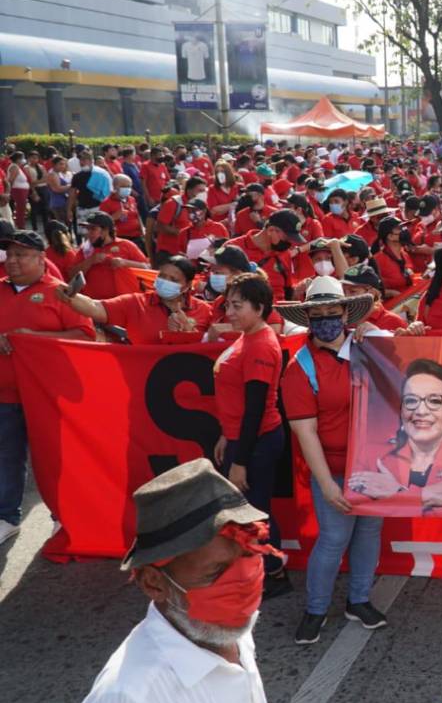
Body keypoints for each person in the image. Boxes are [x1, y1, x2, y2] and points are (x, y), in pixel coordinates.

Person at [69, 460, 276, 703]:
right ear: (154, 583)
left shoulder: (231, 629)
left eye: (249, 555)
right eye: (216, 572)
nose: (242, 582)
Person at [276, 277, 388, 644]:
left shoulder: (369, 347)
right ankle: (316, 609)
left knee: (368, 533)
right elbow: (305, 432)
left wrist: (381, 334)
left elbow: (410, 363)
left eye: (332, 311)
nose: (325, 318)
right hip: (334, 469)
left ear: (345, 313)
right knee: (334, 538)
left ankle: (359, 600)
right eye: (317, 313)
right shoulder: (300, 368)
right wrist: (325, 484)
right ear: (308, 319)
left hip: (373, 468)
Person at [0, 230, 93, 545]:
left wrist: (33, 339)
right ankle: (6, 517)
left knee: (54, 458)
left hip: (47, 395)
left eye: (21, 255)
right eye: (10, 254)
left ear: (41, 259)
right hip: (6, 395)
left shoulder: (60, 293)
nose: (12, 261)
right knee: (6, 457)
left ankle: (63, 515)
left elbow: (85, 336)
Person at [212, 273, 291, 599]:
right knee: (250, 511)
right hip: (243, 438)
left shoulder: (260, 345)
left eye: (237, 306)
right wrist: (226, 433)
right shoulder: (249, 336)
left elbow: (255, 410)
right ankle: (261, 570)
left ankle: (275, 574)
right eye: (228, 305)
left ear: (259, 308)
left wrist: (240, 461)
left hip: (256, 443)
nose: (229, 312)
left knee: (255, 513)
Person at [346, 359, 442, 516]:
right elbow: (355, 505)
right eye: (411, 400)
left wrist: (397, 494)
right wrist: (427, 495)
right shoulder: (370, 455)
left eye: (434, 401)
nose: (421, 411)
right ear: (401, 410)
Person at [56, 255, 213, 344]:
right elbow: (95, 307)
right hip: (142, 379)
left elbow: (213, 348)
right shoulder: (135, 303)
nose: (166, 281)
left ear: (187, 286)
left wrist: (188, 332)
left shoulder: (204, 311)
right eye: (162, 276)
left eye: (174, 279)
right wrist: (71, 297)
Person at [226, 208, 306, 302]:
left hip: (280, 309)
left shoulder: (285, 254)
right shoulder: (234, 248)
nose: (290, 243)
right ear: (270, 230)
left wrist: (298, 291)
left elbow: (287, 290)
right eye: (286, 238)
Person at [69, 212, 150, 301]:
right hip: (96, 305)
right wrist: (90, 261)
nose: (89, 233)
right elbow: (72, 275)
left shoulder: (126, 245)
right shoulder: (86, 249)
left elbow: (148, 268)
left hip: (127, 302)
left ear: (106, 230)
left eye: (93, 229)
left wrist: (125, 263)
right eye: (88, 229)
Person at [371, 216, 414, 297]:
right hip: (392, 303)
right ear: (390, 236)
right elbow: (371, 289)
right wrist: (391, 293)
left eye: (403, 227)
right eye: (399, 228)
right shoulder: (378, 260)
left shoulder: (404, 255)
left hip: (408, 299)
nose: (404, 230)